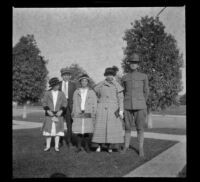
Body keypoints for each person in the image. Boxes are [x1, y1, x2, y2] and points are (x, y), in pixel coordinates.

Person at [121, 53, 149, 157]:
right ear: (129, 64)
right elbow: (123, 92)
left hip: (140, 106)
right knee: (127, 127)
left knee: (140, 128)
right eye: (131, 62)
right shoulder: (124, 77)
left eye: (135, 63)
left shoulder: (143, 76)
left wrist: (142, 101)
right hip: (127, 105)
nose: (133, 64)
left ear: (138, 65)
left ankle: (141, 148)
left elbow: (146, 91)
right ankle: (126, 147)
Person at [92, 67, 124, 153]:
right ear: (105, 75)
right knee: (100, 128)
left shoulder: (117, 85)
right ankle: (98, 146)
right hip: (101, 108)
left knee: (111, 128)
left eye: (111, 75)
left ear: (113, 76)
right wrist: (97, 104)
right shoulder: (100, 85)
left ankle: (110, 146)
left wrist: (121, 110)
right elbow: (94, 95)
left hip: (113, 110)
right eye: (108, 75)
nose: (110, 76)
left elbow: (121, 99)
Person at [71, 74, 97, 153]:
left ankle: (87, 147)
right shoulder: (76, 91)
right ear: (80, 82)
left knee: (87, 131)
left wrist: (94, 113)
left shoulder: (91, 92)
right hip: (79, 112)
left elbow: (94, 104)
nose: (84, 82)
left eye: (86, 81)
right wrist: (73, 112)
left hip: (88, 112)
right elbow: (74, 102)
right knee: (79, 130)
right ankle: (78, 147)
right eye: (82, 81)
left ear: (88, 82)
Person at [42, 77, 68, 152]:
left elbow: (65, 103)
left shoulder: (61, 93)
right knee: (48, 131)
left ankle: (56, 146)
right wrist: (47, 110)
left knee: (58, 131)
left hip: (58, 114)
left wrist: (61, 110)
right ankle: (48, 146)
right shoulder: (47, 93)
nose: (57, 86)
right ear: (52, 86)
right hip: (49, 115)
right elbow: (44, 103)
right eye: (56, 85)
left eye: (58, 85)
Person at [59, 68, 77, 149]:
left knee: (69, 125)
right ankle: (60, 141)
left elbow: (76, 96)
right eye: (64, 75)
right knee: (59, 124)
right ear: (62, 76)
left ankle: (69, 141)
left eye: (67, 75)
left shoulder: (73, 85)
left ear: (70, 76)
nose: (66, 77)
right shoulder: (58, 84)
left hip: (70, 107)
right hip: (60, 106)